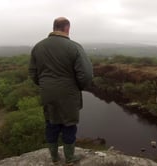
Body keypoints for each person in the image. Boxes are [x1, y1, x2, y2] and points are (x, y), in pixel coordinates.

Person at [29, 17, 93, 165]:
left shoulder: (38, 47)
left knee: (51, 123)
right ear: (67, 28)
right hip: (69, 94)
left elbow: (33, 73)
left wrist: (45, 85)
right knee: (69, 124)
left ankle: (54, 157)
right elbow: (87, 74)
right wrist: (79, 87)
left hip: (47, 93)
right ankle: (70, 158)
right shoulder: (74, 47)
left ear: (54, 27)